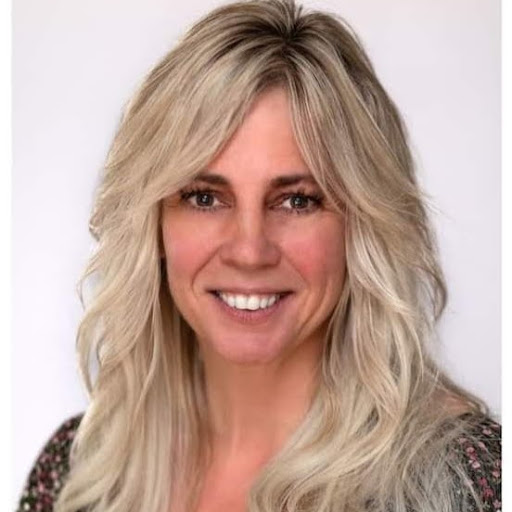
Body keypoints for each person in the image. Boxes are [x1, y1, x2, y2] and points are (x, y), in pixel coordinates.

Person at [17, 1, 501, 511]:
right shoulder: (77, 471)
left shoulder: (467, 481)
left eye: (298, 201)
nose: (249, 251)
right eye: (204, 197)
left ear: (362, 225)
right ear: (152, 224)